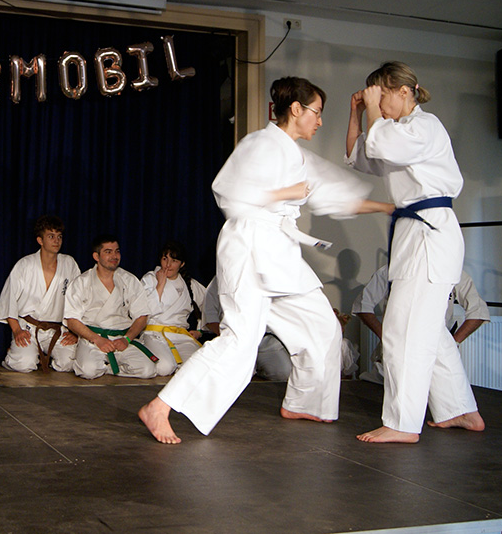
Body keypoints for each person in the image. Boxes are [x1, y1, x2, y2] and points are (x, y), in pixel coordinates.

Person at [139, 76, 391, 444]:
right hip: (249, 246)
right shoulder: (258, 143)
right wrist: (284, 192)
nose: (320, 121)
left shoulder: (298, 156)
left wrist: (388, 207)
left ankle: (305, 403)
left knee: (323, 327)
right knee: (241, 340)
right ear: (296, 109)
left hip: (280, 253)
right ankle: (161, 407)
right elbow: (227, 192)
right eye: (317, 112)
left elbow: (333, 195)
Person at [345, 61, 485, 444]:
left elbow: (380, 142)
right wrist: (357, 112)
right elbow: (360, 156)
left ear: (404, 91)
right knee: (429, 331)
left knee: (402, 329)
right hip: (416, 234)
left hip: (429, 234)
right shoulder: (395, 131)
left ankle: (403, 423)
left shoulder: (425, 126)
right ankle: (461, 410)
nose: (379, 104)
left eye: (382, 95)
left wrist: (371, 111)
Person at [353, 265, 490, 382]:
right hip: (398, 352)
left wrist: (453, 343)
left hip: (436, 354)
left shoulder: (453, 271)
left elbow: (479, 311)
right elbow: (362, 306)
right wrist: (386, 337)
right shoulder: (392, 269)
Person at [65, 235, 158, 380]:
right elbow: (72, 320)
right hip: (92, 340)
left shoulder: (129, 280)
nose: (114, 256)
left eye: (117, 251)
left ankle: (107, 368)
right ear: (96, 256)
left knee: (148, 370)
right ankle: (98, 364)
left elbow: (142, 316)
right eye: (108, 252)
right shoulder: (82, 282)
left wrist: (127, 339)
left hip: (122, 339)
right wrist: (97, 339)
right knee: (88, 371)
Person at [0, 215, 80, 373]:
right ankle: (15, 355)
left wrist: (74, 333)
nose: (56, 241)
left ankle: (46, 359)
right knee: (24, 364)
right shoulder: (25, 265)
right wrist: (17, 331)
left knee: (68, 364)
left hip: (57, 329)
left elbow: (78, 301)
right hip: (29, 328)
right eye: (51, 236)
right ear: (40, 240)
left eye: (59, 236)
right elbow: (9, 300)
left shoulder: (69, 264)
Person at [200, 277, 293, 382]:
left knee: (284, 373)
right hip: (234, 341)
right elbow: (210, 318)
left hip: (267, 340)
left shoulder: (272, 276)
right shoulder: (221, 279)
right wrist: (229, 337)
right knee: (231, 379)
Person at [138, 241, 208, 376]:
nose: (168, 265)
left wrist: (200, 331)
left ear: (182, 264)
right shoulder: (150, 278)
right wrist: (160, 285)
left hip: (181, 336)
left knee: (198, 367)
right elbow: (145, 310)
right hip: (154, 334)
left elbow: (209, 308)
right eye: (165, 259)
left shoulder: (190, 284)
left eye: (174, 261)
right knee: (165, 367)